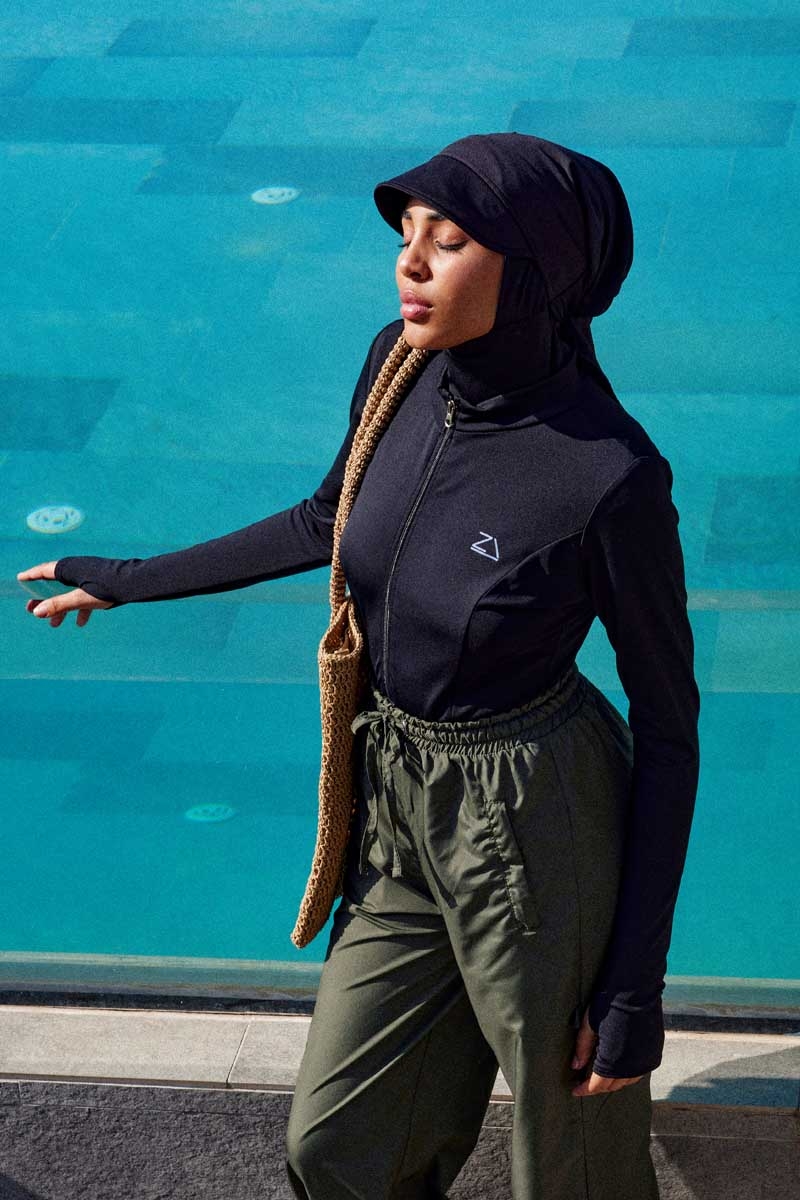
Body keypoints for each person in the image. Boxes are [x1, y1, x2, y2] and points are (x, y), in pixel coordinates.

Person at [19, 132, 700, 1199]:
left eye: (450, 240)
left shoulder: (606, 475)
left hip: (539, 818)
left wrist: (630, 992)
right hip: (398, 799)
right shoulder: (399, 365)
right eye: (406, 233)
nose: (409, 262)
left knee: (567, 1169)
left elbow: (668, 731)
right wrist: (130, 579)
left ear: (535, 272)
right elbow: (323, 517)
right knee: (336, 1147)